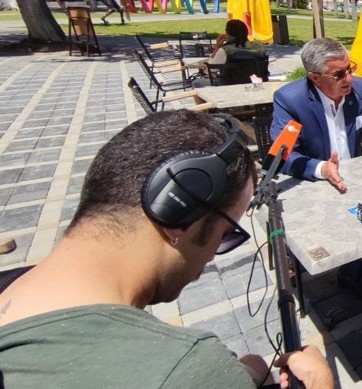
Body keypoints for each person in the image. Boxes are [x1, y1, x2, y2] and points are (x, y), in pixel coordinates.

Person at [0, 110, 334, 389]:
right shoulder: (188, 368)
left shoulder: (14, 287)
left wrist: (244, 374)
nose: (212, 256)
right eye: (226, 233)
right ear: (176, 214)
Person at [270, 38, 362, 190]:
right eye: (339, 74)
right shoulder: (290, 101)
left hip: (357, 179)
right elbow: (283, 155)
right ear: (315, 77)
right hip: (315, 185)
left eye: (349, 69)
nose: (349, 79)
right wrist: (321, 168)